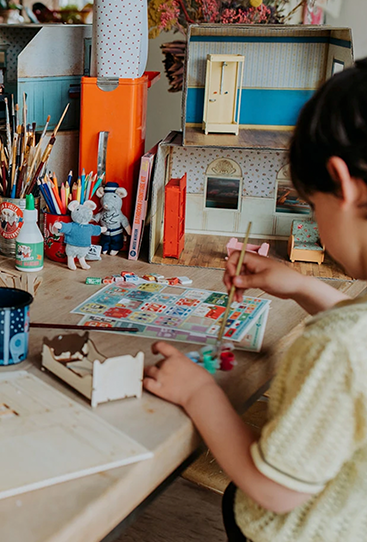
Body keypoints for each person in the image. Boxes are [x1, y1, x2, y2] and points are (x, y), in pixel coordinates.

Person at [144, 59, 367, 542]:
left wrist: (198, 392)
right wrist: (302, 285)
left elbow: (274, 488)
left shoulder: (337, 346)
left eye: (312, 205)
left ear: (343, 186)